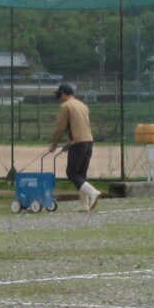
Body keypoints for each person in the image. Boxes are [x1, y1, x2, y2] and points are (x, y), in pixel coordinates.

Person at [49, 81, 101, 212]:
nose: (59, 98)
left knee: (71, 172)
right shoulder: (83, 105)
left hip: (78, 143)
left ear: (63, 94)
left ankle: (93, 193)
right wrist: (68, 143)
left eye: (59, 95)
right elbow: (78, 126)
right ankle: (84, 204)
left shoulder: (65, 106)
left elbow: (60, 127)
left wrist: (54, 144)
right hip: (88, 141)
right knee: (81, 174)